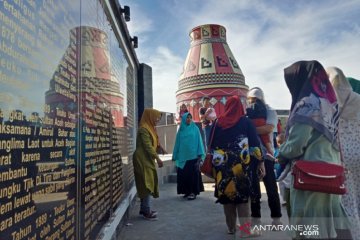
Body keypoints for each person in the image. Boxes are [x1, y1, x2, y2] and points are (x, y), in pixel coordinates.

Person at [278, 60, 351, 239]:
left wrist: (280, 154)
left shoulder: (307, 104)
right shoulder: (330, 103)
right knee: (330, 223)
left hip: (311, 176)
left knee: (310, 226)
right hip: (332, 172)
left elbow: (296, 144)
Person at [209, 96, 264, 236]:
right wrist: (260, 163)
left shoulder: (217, 123)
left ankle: (231, 228)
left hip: (222, 167)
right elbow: (255, 146)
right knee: (242, 198)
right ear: (240, 107)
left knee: (227, 196)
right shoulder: (245, 122)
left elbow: (211, 145)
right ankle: (245, 231)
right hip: (241, 168)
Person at [327, 66, 360, 240]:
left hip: (341, 159)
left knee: (348, 203)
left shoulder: (329, 102)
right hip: (359, 155)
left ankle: (354, 235)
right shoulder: (358, 99)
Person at [247, 87, 283, 226]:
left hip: (267, 155)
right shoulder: (248, 112)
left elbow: (268, 128)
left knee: (271, 188)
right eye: (251, 100)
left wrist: (250, 129)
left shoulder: (270, 111)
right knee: (254, 189)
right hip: (252, 155)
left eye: (255, 100)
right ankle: (256, 220)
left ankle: (276, 219)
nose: (253, 102)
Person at [133, 108, 164, 220]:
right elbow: (148, 146)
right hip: (142, 159)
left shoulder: (150, 128)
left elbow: (154, 143)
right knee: (147, 184)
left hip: (147, 159)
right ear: (150, 116)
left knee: (147, 183)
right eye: (156, 118)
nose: (157, 120)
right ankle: (146, 211)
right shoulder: (143, 129)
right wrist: (158, 159)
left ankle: (144, 208)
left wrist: (160, 148)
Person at [172, 112, 205, 200]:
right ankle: (187, 191)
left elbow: (199, 141)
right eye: (187, 117)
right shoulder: (181, 130)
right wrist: (175, 155)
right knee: (184, 175)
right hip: (183, 156)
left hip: (193, 156)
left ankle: (193, 192)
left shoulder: (195, 129)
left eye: (190, 117)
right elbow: (177, 143)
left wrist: (200, 154)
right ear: (183, 119)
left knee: (192, 175)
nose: (189, 119)